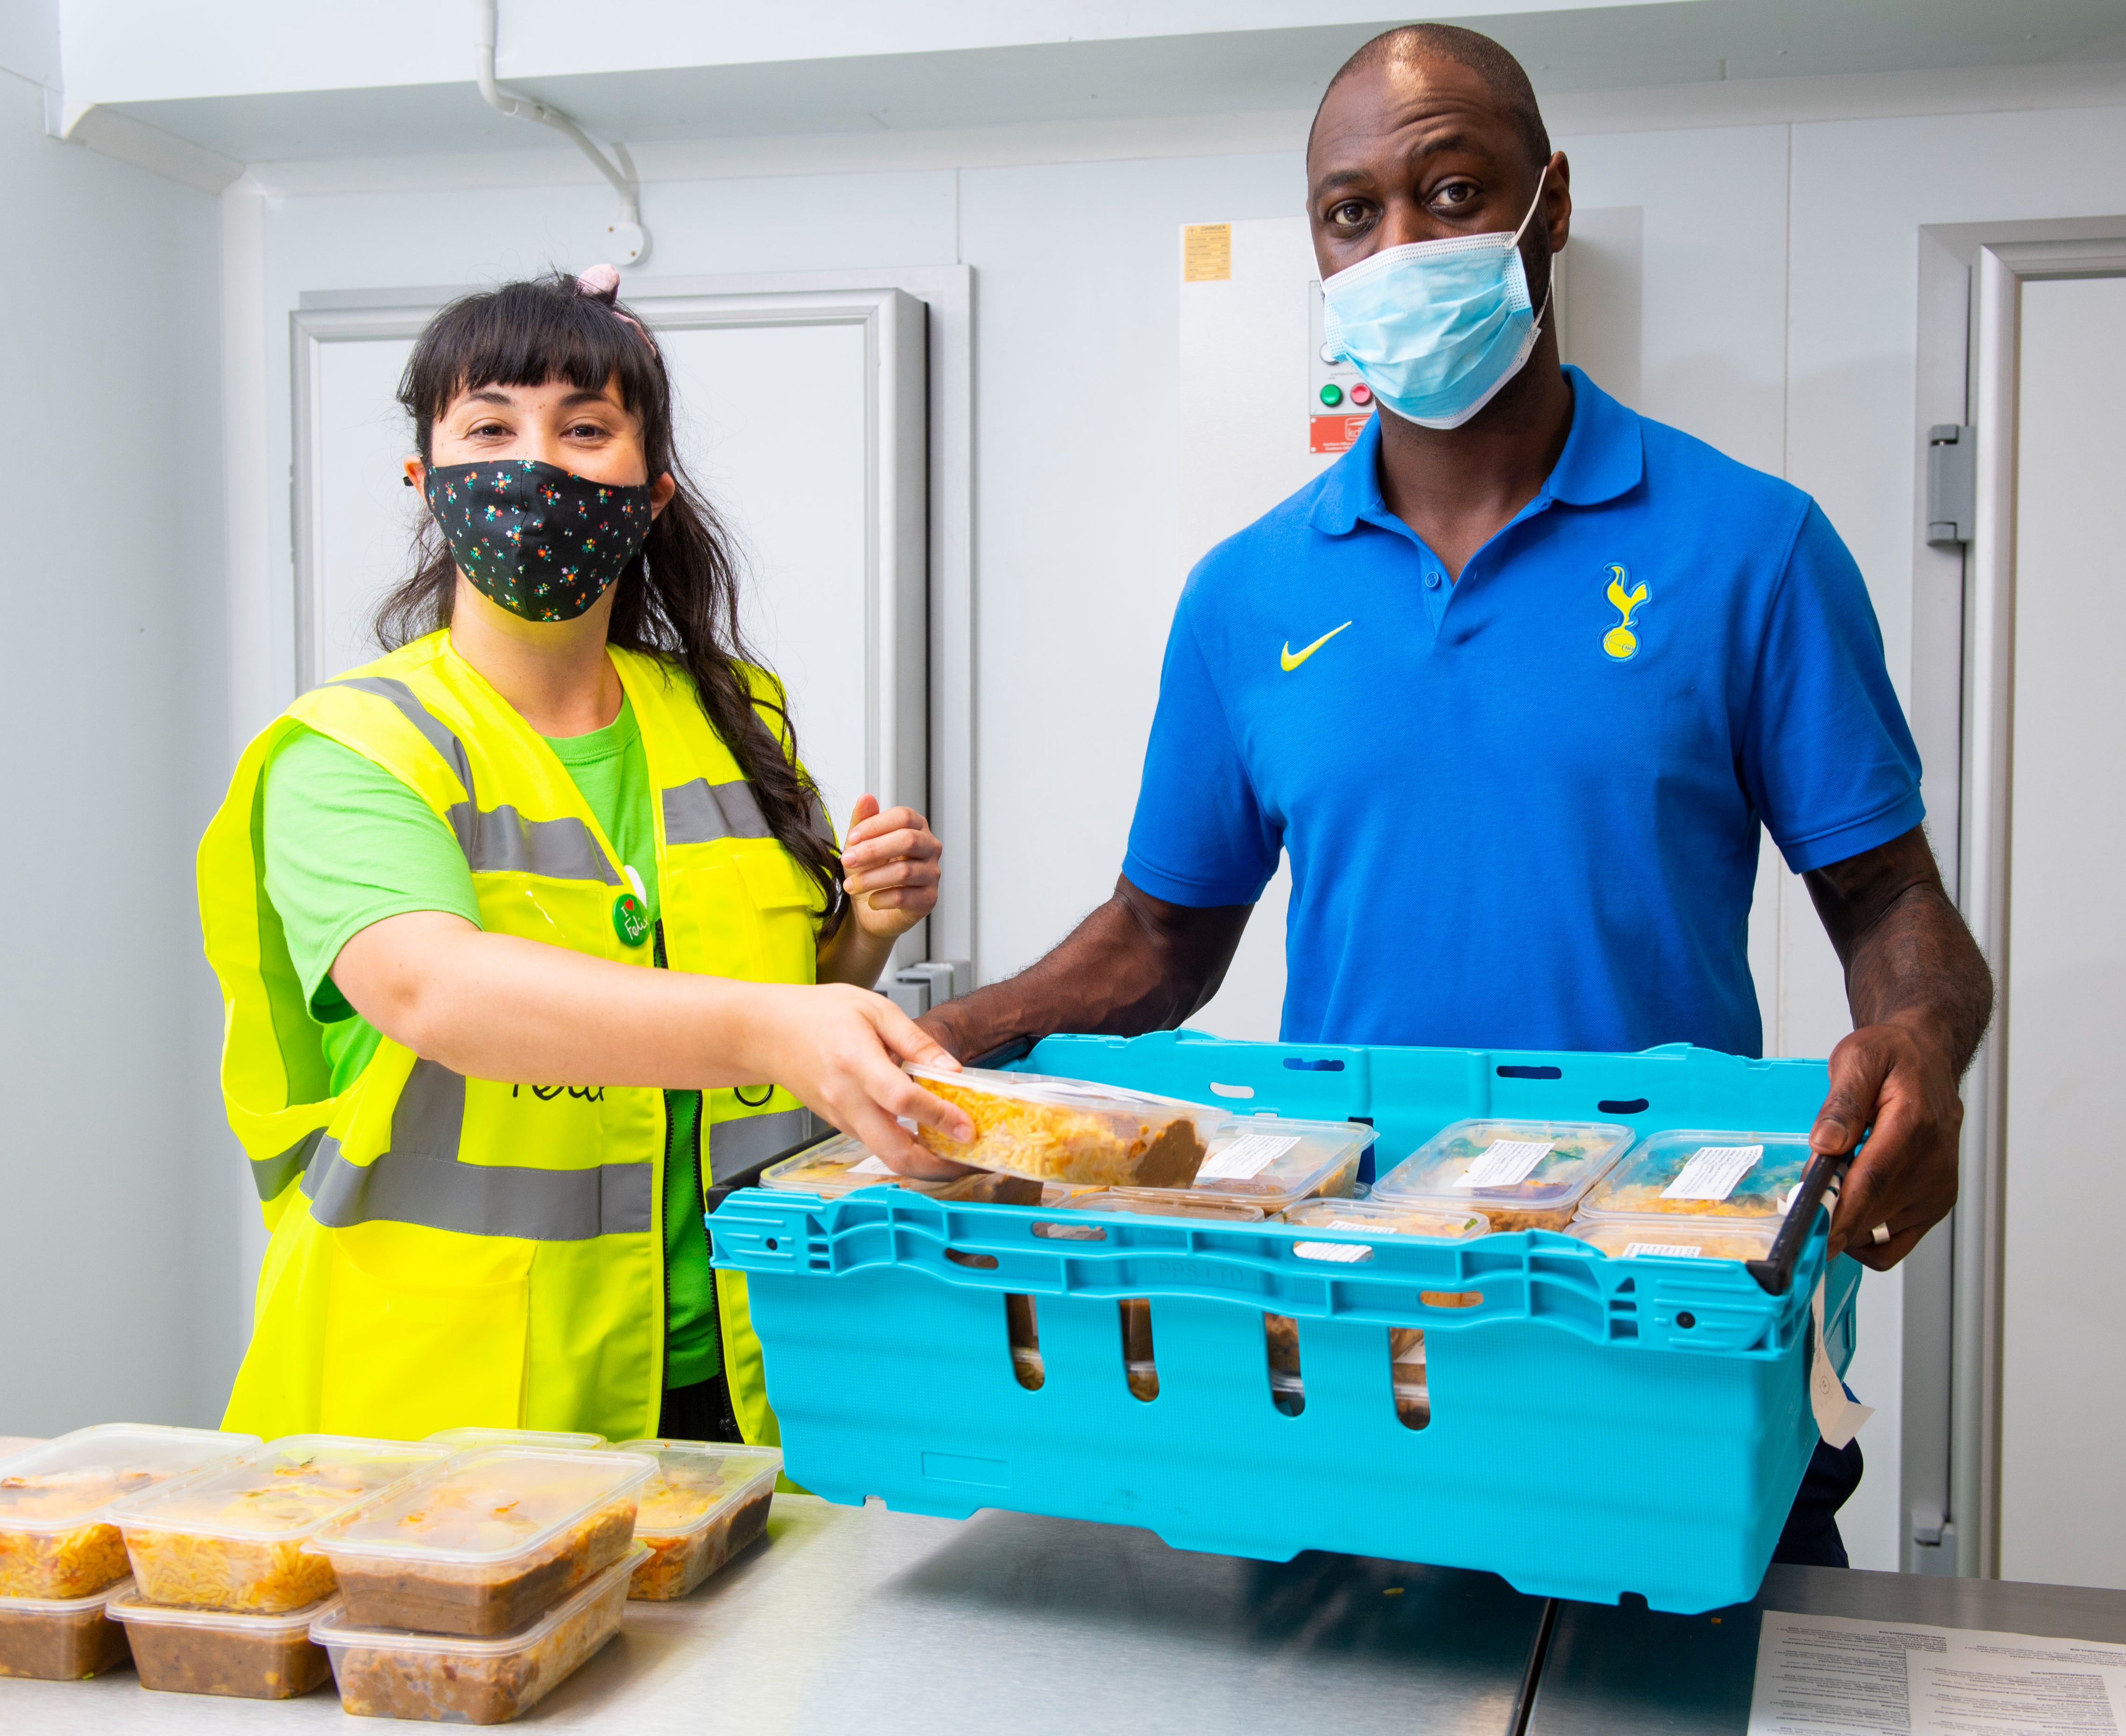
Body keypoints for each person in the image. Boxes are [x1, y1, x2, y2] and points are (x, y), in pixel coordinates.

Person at [918, 26, 1993, 1566]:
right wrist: (940, 1040)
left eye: (1449, 190)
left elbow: (1888, 902)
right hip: (1354, 1339)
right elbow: (1158, 938)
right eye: (1352, 214)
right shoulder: (1245, 593)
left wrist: (1918, 1045)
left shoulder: (1747, 548)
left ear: (1547, 205)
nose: (1399, 244)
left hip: (1655, 1330)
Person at [197, 267, 974, 1448]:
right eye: (491, 426)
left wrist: (861, 931)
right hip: (446, 1415)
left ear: (652, 491)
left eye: (587, 428)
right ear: (427, 479)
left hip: (741, 1367)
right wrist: (784, 1027)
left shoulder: (730, 713)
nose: (539, 463)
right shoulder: (350, 749)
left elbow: (776, 1005)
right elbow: (431, 989)